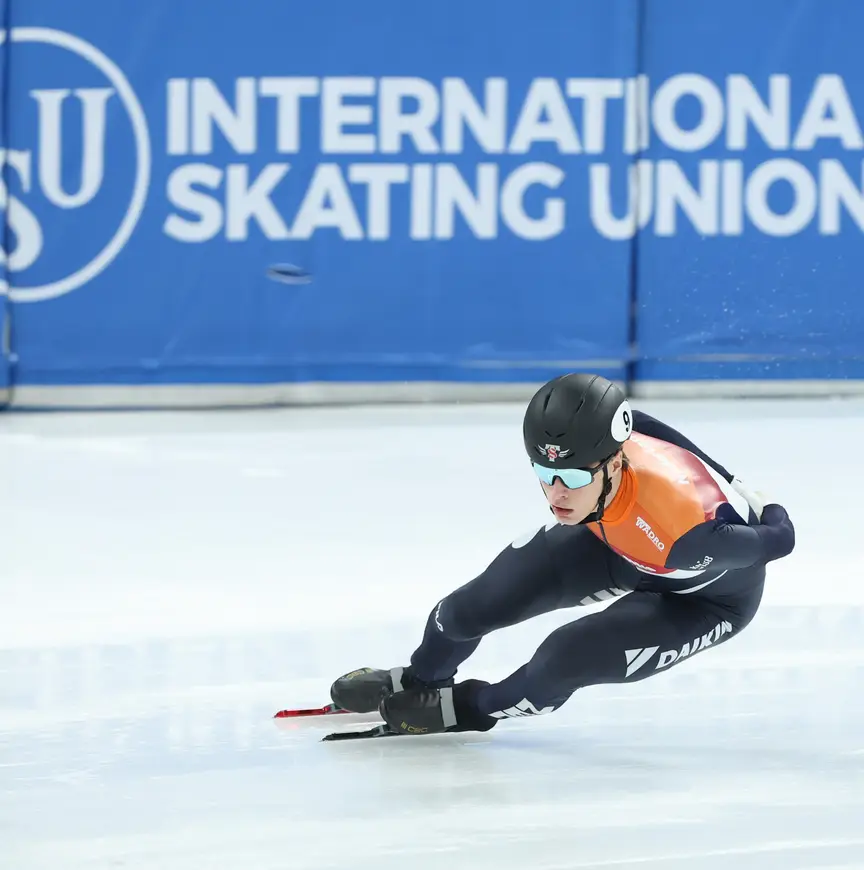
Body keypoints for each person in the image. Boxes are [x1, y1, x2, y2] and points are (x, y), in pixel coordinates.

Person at [329, 373, 796, 736]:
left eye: (572, 479)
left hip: (702, 599)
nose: (557, 494)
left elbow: (776, 543)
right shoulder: (608, 441)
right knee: (469, 608)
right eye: (544, 472)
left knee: (562, 660)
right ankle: (421, 679)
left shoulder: (690, 533)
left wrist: (773, 514)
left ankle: (466, 709)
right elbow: (654, 428)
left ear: (615, 463)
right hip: (615, 541)